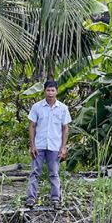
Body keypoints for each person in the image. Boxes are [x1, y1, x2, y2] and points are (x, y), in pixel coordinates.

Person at [26, 79, 71, 209]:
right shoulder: (37, 107)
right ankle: (31, 198)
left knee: (54, 173)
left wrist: (63, 147)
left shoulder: (62, 108)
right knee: (35, 172)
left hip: (54, 146)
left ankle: (56, 199)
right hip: (39, 145)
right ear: (44, 91)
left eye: (52, 90)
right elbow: (32, 126)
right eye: (48, 90)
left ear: (56, 92)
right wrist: (32, 145)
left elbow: (65, 128)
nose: (50, 93)